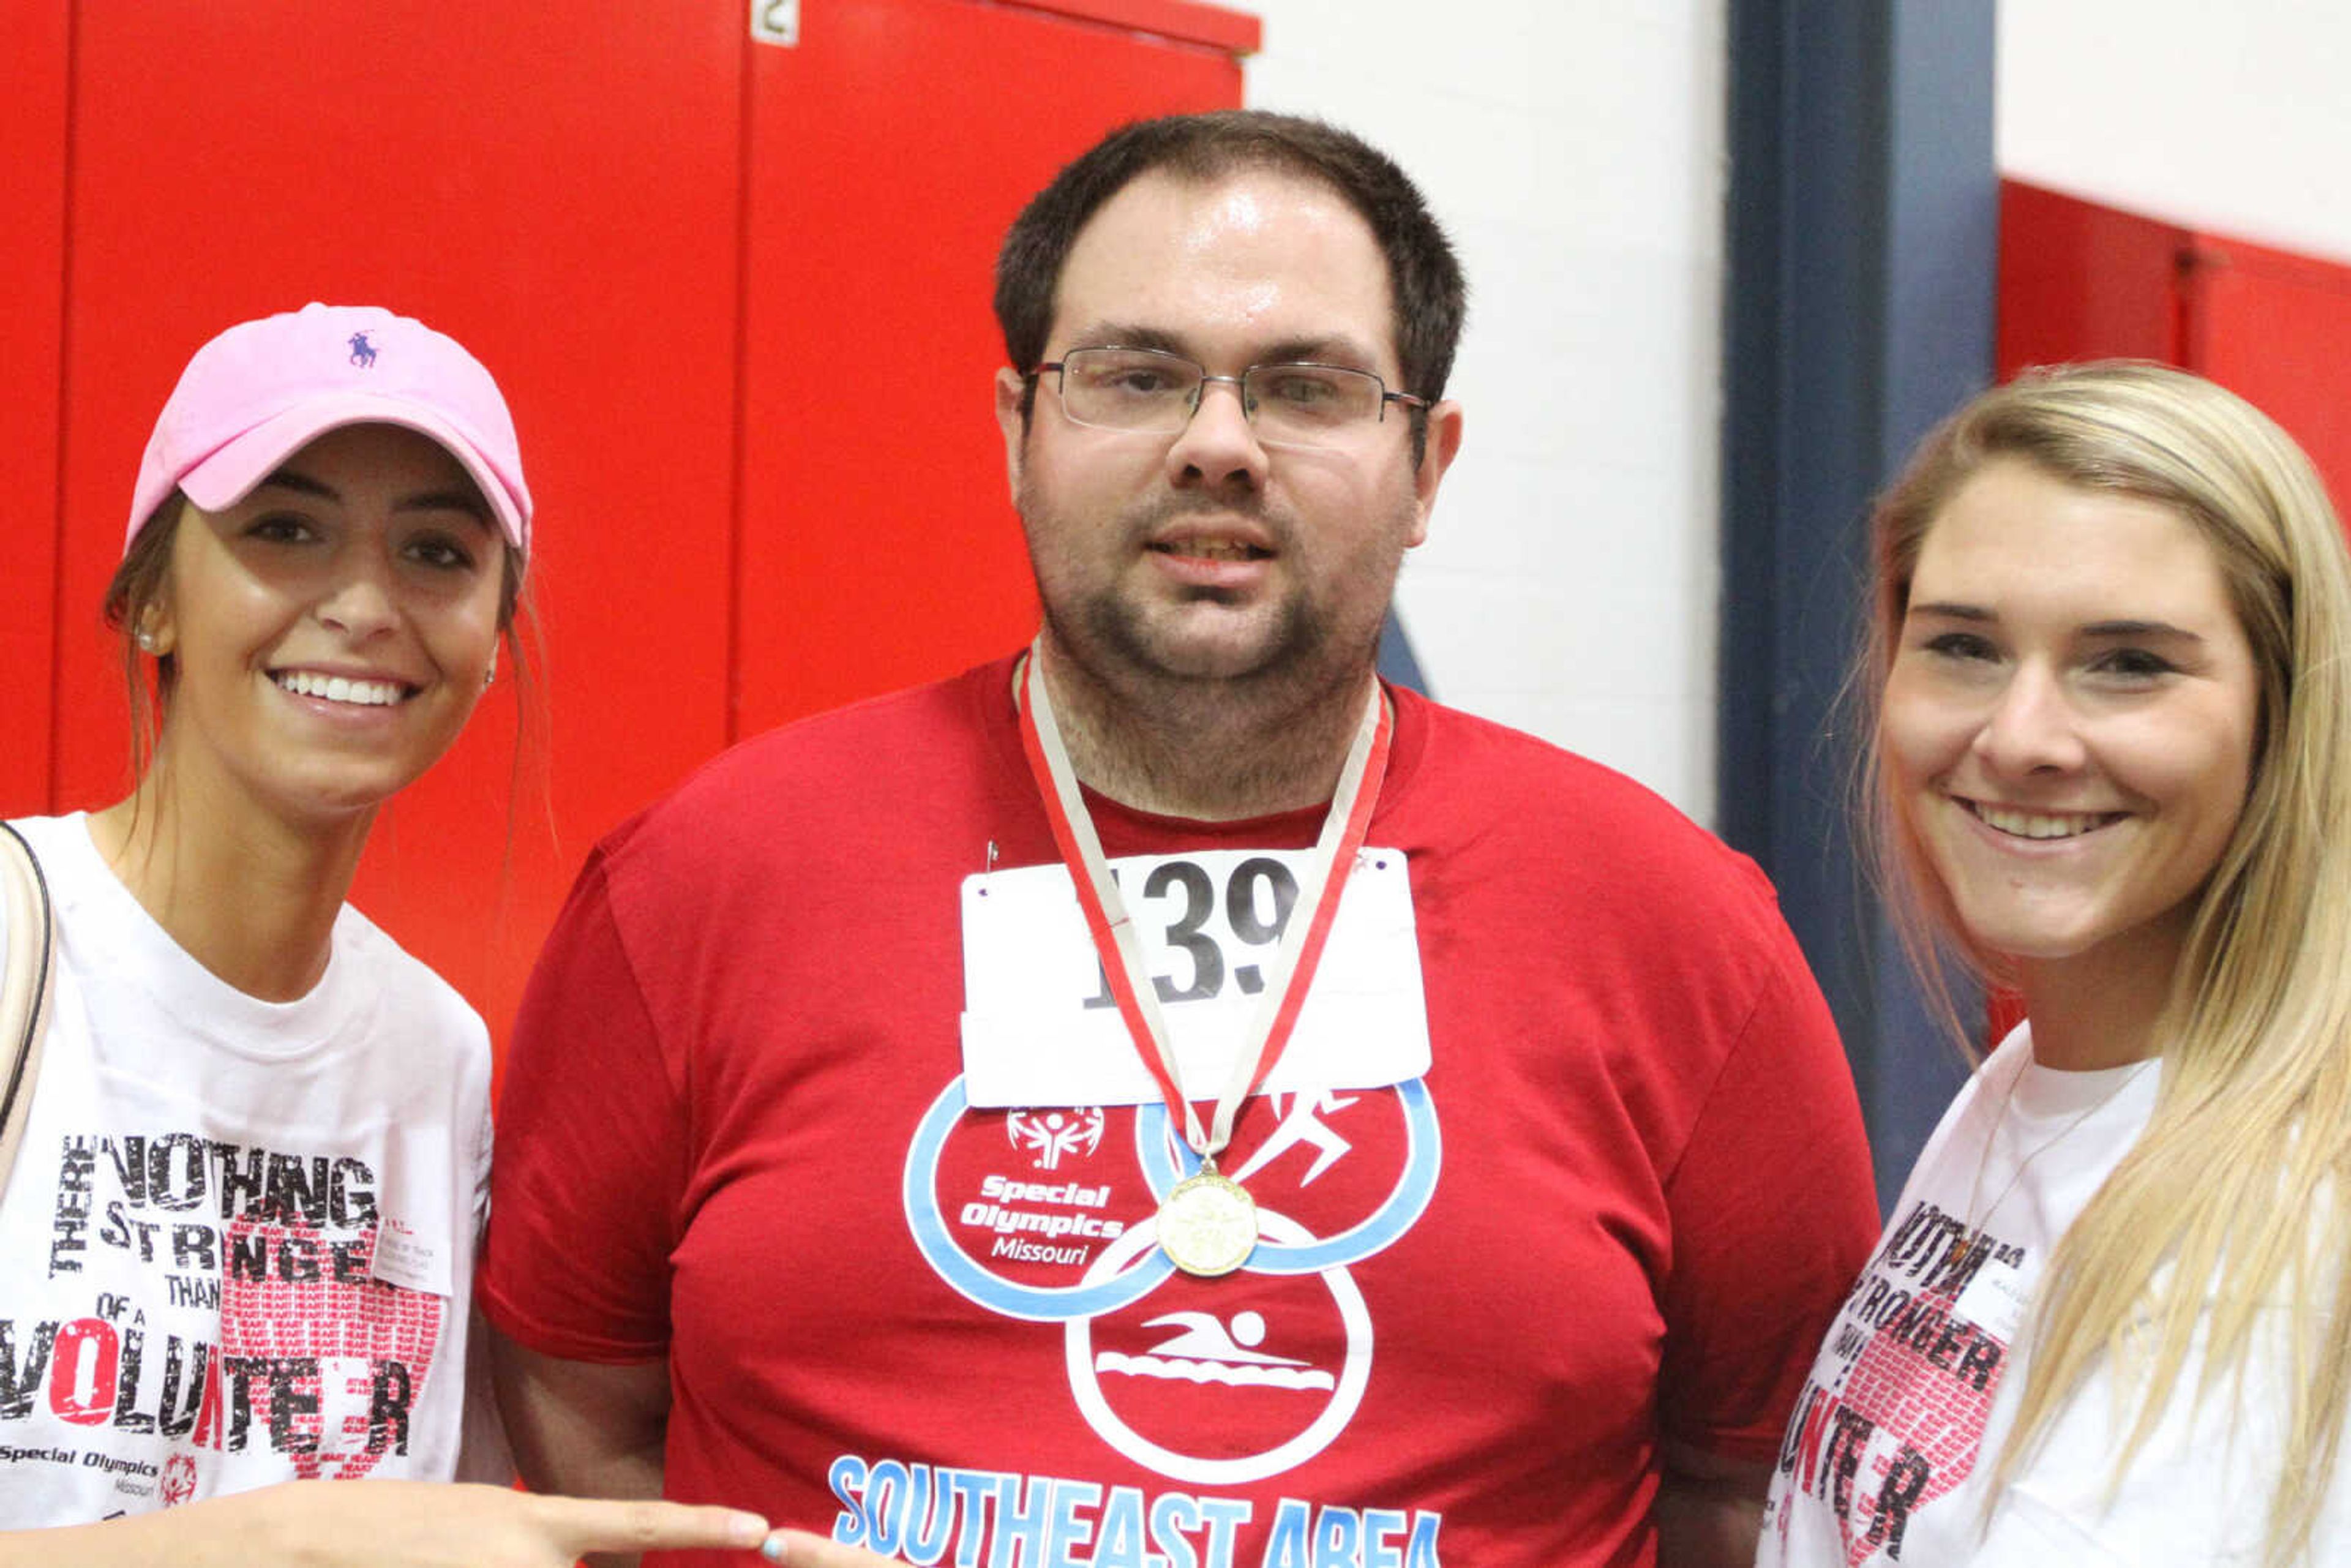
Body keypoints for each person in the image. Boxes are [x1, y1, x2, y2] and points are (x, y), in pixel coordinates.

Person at [482, 111, 1878, 1568]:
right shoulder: (706, 883)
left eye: (1308, 389)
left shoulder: (1673, 928)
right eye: (1137, 376)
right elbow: (582, 1410)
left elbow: (1757, 1490)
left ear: (1428, 468)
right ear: (1018, 430)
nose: (1217, 446)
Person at [0, 304, 840, 1566]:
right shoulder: (22, 939)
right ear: (150, 601)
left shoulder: (433, 1055)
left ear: (494, 646)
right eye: (284, 530)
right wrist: (284, 1542)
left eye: (437, 554)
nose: (364, 604)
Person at [1758, 362, 2351, 1566]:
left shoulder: (2293, 1232)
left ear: (2283, 718)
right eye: (1964, 647)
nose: (2019, 738)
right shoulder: (2035, 1083)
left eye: (2129, 663)